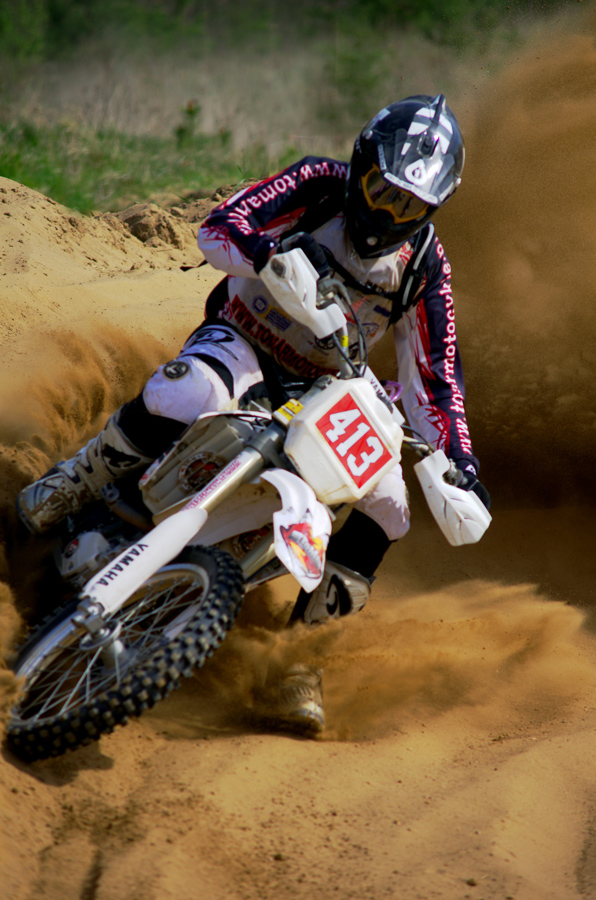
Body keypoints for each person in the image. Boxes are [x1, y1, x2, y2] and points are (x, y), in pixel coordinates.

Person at [17, 93, 490, 736]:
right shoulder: (318, 184)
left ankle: (298, 662)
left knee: (390, 507)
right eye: (381, 190)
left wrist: (460, 465)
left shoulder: (424, 267)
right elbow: (220, 226)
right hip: (245, 339)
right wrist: (269, 256)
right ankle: (82, 477)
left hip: (327, 386)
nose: (386, 211)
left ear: (431, 209)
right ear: (361, 165)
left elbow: (436, 378)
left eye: (408, 205)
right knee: (188, 394)